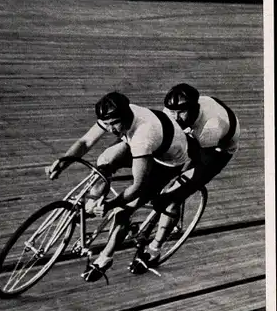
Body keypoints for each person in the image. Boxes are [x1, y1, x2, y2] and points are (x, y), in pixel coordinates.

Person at [46, 91, 194, 282]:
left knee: (123, 209)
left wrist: (110, 205)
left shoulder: (143, 136)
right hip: (149, 138)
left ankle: (105, 258)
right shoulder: (115, 117)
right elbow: (85, 142)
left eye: (114, 123)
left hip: (167, 161)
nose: (110, 129)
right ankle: (94, 201)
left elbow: (137, 186)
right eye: (106, 125)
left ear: (125, 116)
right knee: (105, 160)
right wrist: (62, 162)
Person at [159, 82, 240, 220]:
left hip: (218, 148)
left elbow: (198, 163)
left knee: (178, 192)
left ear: (194, 109)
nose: (176, 117)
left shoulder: (211, 127)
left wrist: (177, 183)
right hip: (202, 123)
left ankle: (159, 238)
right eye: (173, 112)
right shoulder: (171, 110)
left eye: (182, 112)